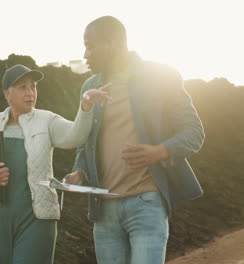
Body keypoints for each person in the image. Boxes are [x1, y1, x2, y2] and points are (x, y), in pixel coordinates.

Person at [63, 16, 205, 264]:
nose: (85, 54)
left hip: (146, 203)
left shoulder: (161, 77)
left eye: (90, 45)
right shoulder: (90, 85)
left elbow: (194, 132)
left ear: (114, 44)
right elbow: (88, 140)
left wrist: (160, 151)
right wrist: (80, 171)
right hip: (103, 209)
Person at [0, 64, 111, 264]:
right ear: (7, 94)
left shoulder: (47, 120)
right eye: (22, 87)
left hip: (36, 217)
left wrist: (85, 107)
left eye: (33, 86)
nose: (30, 93)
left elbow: (75, 136)